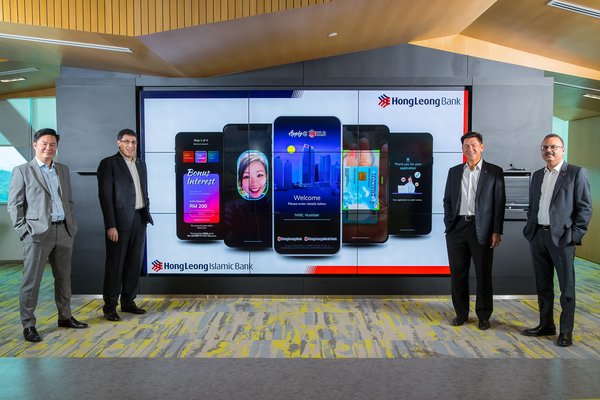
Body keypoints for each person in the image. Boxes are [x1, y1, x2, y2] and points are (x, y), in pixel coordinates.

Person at [8, 128, 88, 342]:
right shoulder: (22, 171)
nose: (48, 147)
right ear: (35, 145)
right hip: (36, 234)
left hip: (64, 231)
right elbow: (14, 205)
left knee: (63, 279)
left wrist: (71, 225)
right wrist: (24, 231)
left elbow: (68, 200)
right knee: (31, 281)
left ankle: (65, 316)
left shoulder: (62, 169)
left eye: (52, 144)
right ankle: (28, 325)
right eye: (44, 143)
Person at [522, 134, 592, 347]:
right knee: (543, 286)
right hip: (538, 236)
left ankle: (566, 331)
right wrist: (531, 228)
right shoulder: (537, 175)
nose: (549, 150)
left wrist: (574, 236)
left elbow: (585, 208)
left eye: (553, 147)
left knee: (566, 289)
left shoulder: (576, 173)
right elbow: (533, 205)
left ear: (563, 149)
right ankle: (546, 325)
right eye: (545, 147)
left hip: (562, 239)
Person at [443, 131, 505, 330]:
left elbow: (499, 203)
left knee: (483, 274)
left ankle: (484, 316)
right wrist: (449, 223)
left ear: (482, 147)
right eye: (466, 146)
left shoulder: (494, 172)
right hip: (457, 228)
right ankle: (461, 314)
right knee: (458, 274)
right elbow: (448, 199)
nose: (470, 149)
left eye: (473, 145)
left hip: (483, 229)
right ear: (462, 149)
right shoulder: (454, 172)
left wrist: (496, 231)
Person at [97, 128, 153, 322]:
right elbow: (105, 197)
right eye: (127, 142)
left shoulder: (140, 163)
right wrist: (110, 225)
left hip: (139, 218)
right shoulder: (108, 164)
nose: (131, 145)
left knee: (133, 264)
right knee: (115, 265)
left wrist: (146, 210)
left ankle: (128, 301)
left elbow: (143, 190)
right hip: (119, 223)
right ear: (118, 143)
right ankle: (110, 307)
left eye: (133, 142)